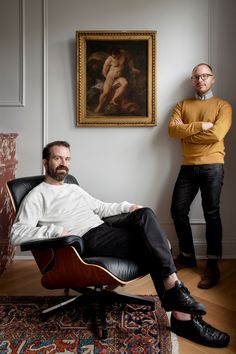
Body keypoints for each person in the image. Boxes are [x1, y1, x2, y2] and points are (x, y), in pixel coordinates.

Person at [10, 140, 230, 348]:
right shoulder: (37, 196)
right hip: (85, 240)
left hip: (104, 228)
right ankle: (183, 313)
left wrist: (128, 206)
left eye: (67, 159)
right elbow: (16, 233)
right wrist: (56, 230)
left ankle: (177, 300)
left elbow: (100, 207)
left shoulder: (72, 187)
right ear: (45, 162)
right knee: (153, 246)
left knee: (144, 214)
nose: (64, 164)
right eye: (58, 158)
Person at [168, 63, 232, 289]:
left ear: (213, 79)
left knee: (211, 213)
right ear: (192, 80)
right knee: (177, 210)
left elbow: (217, 134)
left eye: (205, 76)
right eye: (197, 76)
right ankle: (187, 255)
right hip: (187, 166)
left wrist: (187, 132)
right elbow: (172, 131)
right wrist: (201, 125)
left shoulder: (223, 106)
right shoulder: (182, 105)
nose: (201, 80)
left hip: (213, 165)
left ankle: (212, 264)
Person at [94, 47, 140, 113]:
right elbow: (104, 71)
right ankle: (99, 106)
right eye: (113, 56)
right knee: (105, 93)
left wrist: (132, 68)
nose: (115, 57)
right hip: (110, 77)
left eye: (116, 56)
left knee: (125, 83)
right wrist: (110, 81)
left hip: (119, 77)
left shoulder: (124, 54)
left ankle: (113, 99)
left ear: (119, 53)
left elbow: (130, 59)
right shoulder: (109, 59)